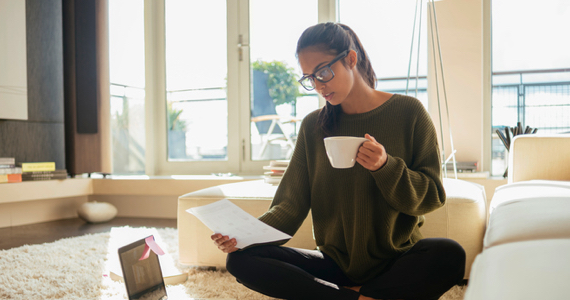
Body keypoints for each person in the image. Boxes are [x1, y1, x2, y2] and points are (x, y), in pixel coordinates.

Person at [211, 22, 465, 300]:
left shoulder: (409, 113)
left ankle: (344, 296)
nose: (318, 86)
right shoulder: (312, 127)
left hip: (398, 260)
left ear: (350, 59)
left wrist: (386, 167)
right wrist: (243, 239)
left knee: (449, 254)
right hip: (335, 264)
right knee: (240, 261)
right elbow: (290, 205)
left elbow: (432, 196)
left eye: (323, 72)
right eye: (309, 78)